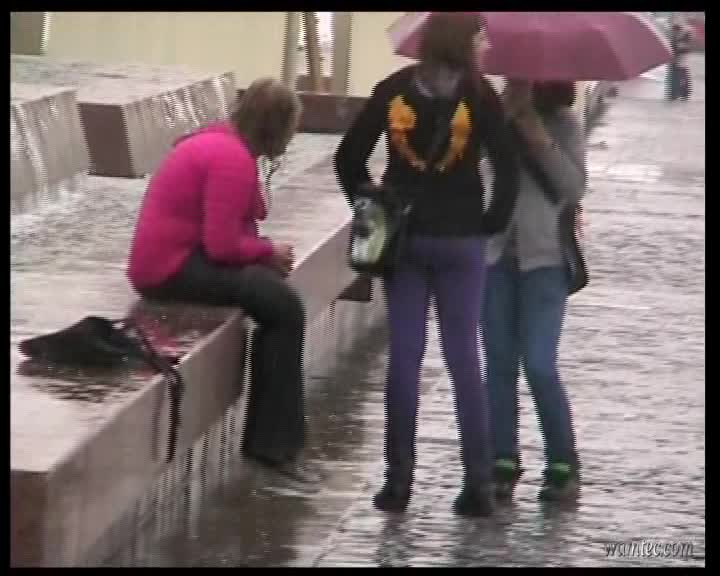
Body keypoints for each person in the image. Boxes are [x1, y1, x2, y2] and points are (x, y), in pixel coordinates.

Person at [335, 12, 518, 517]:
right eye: (479, 36)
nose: (484, 44)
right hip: (462, 241)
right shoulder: (481, 96)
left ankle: (398, 483)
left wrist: (370, 203)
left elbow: (348, 158)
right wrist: (489, 222)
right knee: (464, 360)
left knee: (405, 358)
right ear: (465, 41)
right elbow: (508, 169)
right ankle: (478, 485)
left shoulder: (393, 89)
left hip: (406, 241)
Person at [127, 78, 315, 481]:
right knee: (284, 307)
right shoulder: (231, 158)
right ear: (276, 127)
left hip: (173, 262)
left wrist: (260, 253)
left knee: (276, 301)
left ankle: (272, 441)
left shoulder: (222, 143)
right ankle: (274, 446)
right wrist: (267, 252)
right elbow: (222, 246)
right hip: (170, 270)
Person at [482, 79, 586, 503]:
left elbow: (573, 188)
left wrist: (536, 134)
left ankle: (563, 462)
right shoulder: (492, 116)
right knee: (499, 363)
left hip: (546, 261)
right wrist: (500, 122)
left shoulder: (564, 123)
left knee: (540, 364)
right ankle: (501, 459)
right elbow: (475, 175)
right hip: (494, 258)